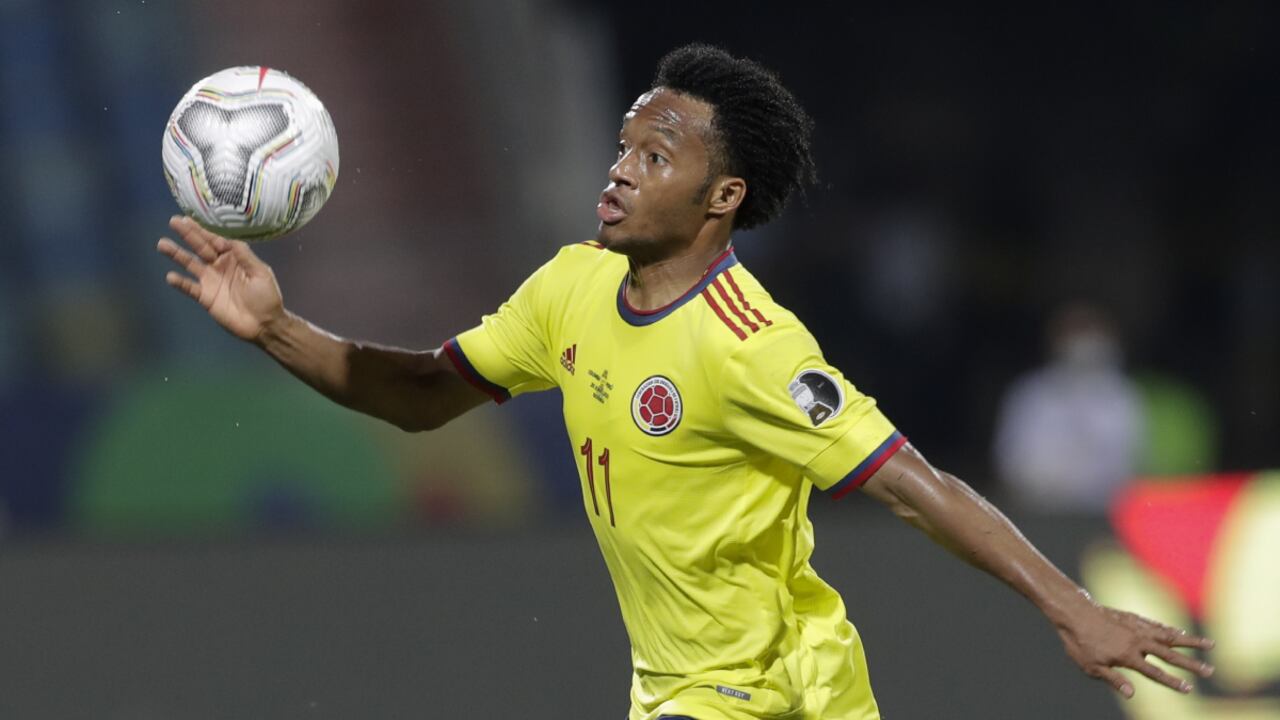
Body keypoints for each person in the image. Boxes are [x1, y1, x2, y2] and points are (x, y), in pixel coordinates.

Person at [157, 44, 1214, 720]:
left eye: (652, 156)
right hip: (696, 696)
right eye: (620, 147)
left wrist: (1071, 607)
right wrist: (276, 329)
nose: (617, 169)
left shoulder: (749, 345)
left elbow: (910, 482)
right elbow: (424, 395)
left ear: (722, 196)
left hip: (793, 687)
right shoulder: (568, 289)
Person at [994, 302, 1146, 512]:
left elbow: (1129, 462)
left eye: (1089, 330)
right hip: (1039, 512)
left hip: (1105, 515)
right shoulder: (1031, 393)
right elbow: (1013, 462)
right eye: (1075, 331)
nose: (1083, 343)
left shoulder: (1125, 396)